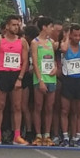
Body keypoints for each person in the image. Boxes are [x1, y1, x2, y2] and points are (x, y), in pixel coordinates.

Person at [0, 14, 29, 145]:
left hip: (16, 74)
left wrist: (20, 78)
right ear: (7, 26)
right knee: (0, 105)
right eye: (13, 24)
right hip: (2, 74)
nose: (16, 27)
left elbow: (25, 62)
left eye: (18, 25)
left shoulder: (22, 41)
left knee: (17, 106)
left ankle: (17, 135)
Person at [58, 23, 80, 147]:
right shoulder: (65, 44)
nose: (77, 37)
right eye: (75, 35)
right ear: (70, 35)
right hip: (68, 80)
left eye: (79, 35)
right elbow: (64, 49)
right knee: (65, 110)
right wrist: (67, 37)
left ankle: (77, 136)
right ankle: (66, 136)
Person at [30, 16, 57, 145]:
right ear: (44, 27)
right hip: (40, 78)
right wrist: (40, 80)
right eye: (50, 26)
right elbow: (35, 62)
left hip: (51, 78)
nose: (52, 29)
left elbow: (55, 59)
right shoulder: (35, 42)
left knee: (49, 107)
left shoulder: (51, 42)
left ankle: (47, 134)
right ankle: (38, 134)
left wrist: (56, 68)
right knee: (38, 106)